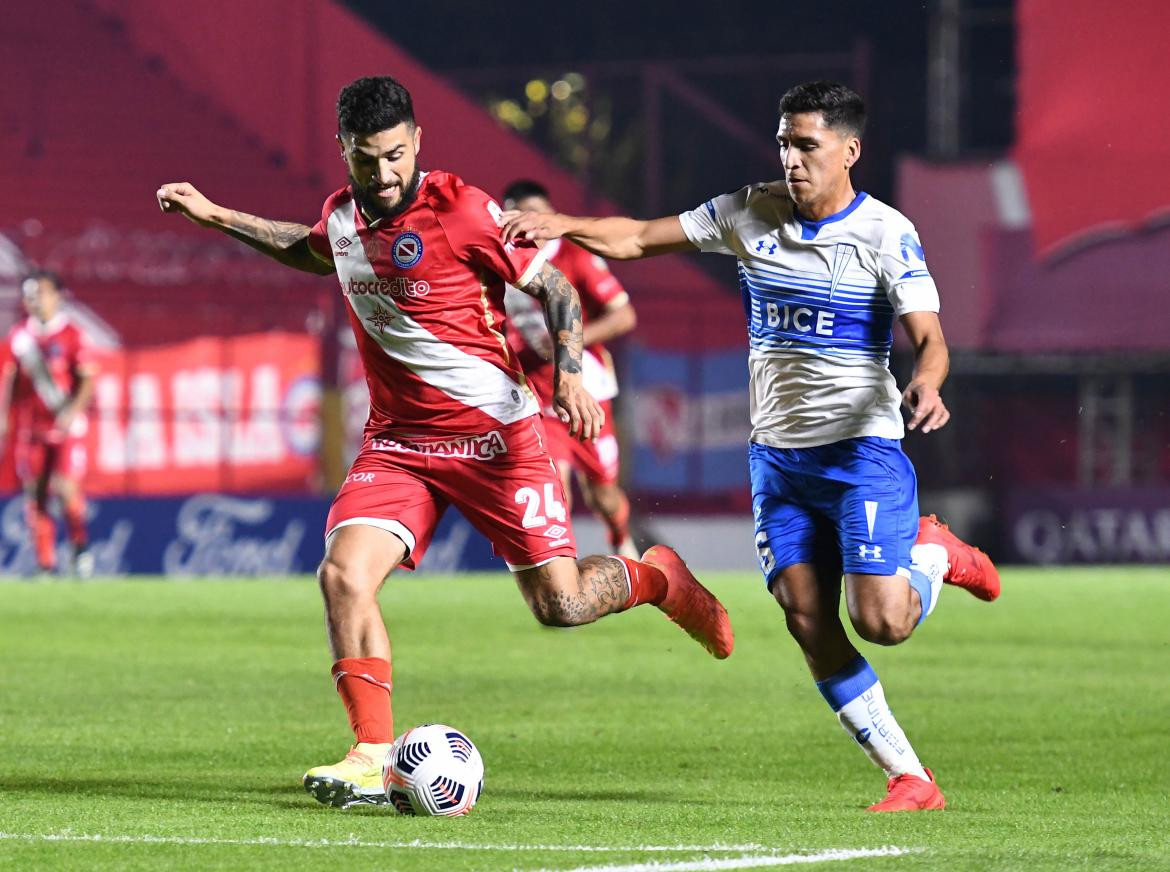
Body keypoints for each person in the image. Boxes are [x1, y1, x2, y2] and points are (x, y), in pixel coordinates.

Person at [156, 75, 734, 810]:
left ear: (418, 141)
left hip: (497, 440)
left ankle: (658, 579)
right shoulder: (341, 219)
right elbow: (309, 250)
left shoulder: (462, 209)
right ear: (344, 152)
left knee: (559, 606)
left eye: (397, 155)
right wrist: (214, 216)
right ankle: (371, 751)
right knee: (342, 575)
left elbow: (555, 289)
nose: (385, 173)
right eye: (368, 160)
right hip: (399, 445)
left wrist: (571, 377)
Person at [503, 80, 1001, 813]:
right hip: (779, 460)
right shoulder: (748, 210)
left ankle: (934, 553)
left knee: (882, 621)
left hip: (860, 452)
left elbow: (930, 339)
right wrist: (558, 224)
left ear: (849, 151)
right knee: (805, 617)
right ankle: (911, 778)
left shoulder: (886, 233)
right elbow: (639, 236)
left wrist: (927, 383)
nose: (791, 160)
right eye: (783, 143)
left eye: (807, 146)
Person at [501, 179, 639, 559]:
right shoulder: (498, 261)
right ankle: (559, 572)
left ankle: (619, 535)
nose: (528, 225)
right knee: (551, 487)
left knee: (604, 496)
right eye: (518, 216)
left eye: (536, 216)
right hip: (533, 395)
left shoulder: (575, 258)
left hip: (585, 392)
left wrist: (569, 338)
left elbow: (624, 315)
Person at [0, 272, 96, 577]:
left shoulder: (72, 333)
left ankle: (80, 549)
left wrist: (73, 412)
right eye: (30, 295)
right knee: (35, 493)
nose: (35, 301)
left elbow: (87, 379)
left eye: (41, 293)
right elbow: (9, 379)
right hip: (31, 428)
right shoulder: (20, 336)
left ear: (58, 296)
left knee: (67, 489)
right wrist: (4, 416)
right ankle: (45, 563)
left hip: (65, 426)